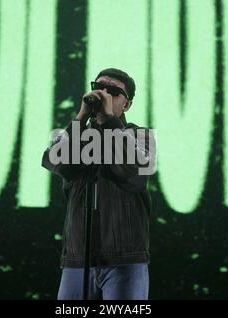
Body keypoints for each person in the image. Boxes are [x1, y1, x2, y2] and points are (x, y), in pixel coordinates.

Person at [42, 68, 155, 300]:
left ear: (127, 104)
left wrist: (109, 122)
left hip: (125, 260)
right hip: (77, 261)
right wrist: (80, 118)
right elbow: (52, 160)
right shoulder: (78, 136)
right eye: (98, 87)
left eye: (113, 91)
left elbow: (135, 171)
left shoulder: (140, 135)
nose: (103, 93)